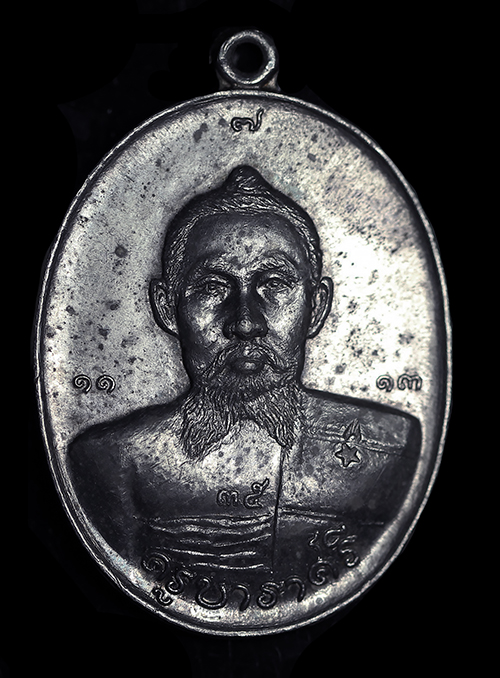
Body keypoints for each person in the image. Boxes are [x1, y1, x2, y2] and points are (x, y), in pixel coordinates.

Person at [68, 166, 421, 603]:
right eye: (212, 287)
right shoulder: (112, 462)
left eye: (273, 284)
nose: (246, 322)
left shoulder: (387, 448)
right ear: (166, 307)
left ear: (316, 307)